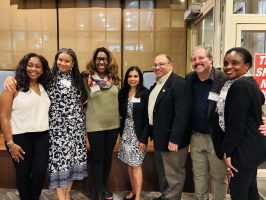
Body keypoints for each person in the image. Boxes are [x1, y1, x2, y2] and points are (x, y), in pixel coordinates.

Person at [214, 47, 265, 200]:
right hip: (251, 147)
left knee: (238, 192)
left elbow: (235, 124)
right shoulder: (249, 82)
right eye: (226, 63)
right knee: (250, 190)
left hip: (242, 149)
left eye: (235, 63)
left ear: (247, 65)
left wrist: (227, 152)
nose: (228, 67)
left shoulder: (240, 86)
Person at [0, 52, 51, 200]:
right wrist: (10, 143)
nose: (33, 69)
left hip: (42, 135)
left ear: (42, 70)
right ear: (24, 66)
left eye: (37, 66)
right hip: (19, 137)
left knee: (40, 172)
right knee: (23, 173)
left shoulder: (44, 86)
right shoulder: (12, 87)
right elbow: (3, 117)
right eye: (30, 65)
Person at [186, 46, 228, 200]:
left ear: (210, 59)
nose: (197, 62)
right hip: (196, 137)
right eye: (194, 59)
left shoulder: (223, 79)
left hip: (216, 138)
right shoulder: (189, 79)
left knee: (219, 176)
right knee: (199, 175)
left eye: (201, 58)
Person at [148, 54, 191, 200]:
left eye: (161, 64)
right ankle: (166, 195)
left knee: (174, 173)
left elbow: (182, 115)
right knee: (163, 172)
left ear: (170, 65)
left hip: (172, 140)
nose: (157, 67)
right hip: (160, 137)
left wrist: (175, 139)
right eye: (155, 65)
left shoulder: (179, 84)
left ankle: (172, 197)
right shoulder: (157, 84)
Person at [48, 48, 88, 200]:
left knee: (72, 162)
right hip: (58, 129)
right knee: (60, 164)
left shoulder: (77, 79)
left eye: (66, 61)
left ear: (73, 63)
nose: (62, 63)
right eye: (60, 60)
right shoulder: (48, 77)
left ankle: (66, 195)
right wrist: (10, 79)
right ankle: (61, 198)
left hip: (76, 129)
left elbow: (83, 101)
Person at [82, 47, 120, 200]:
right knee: (97, 158)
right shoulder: (87, 79)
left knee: (107, 158)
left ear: (108, 61)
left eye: (104, 59)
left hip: (113, 125)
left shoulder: (115, 80)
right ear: (94, 61)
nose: (101, 61)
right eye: (98, 59)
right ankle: (97, 191)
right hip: (95, 125)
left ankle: (104, 186)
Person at [118, 66, 149, 200]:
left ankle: (138, 196)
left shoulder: (145, 93)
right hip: (126, 133)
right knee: (129, 165)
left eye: (135, 76)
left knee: (136, 165)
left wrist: (143, 139)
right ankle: (133, 190)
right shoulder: (123, 93)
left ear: (140, 78)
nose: (132, 79)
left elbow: (148, 119)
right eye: (130, 76)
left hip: (138, 134)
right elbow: (121, 115)